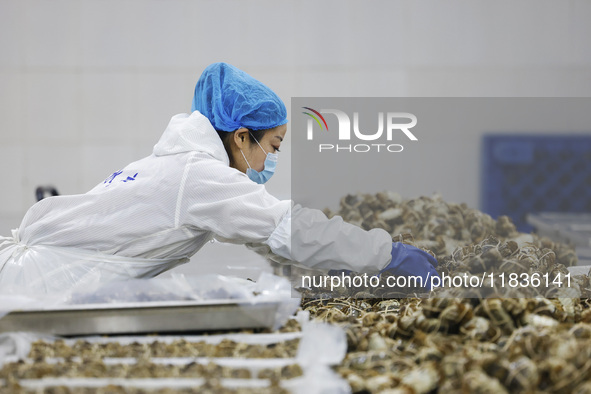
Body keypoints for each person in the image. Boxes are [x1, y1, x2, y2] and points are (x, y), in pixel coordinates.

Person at [0, 62, 438, 295]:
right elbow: (287, 229)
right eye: (274, 145)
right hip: (36, 288)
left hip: (31, 274)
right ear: (242, 136)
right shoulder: (199, 177)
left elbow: (261, 232)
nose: (272, 158)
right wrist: (387, 255)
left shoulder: (171, 164)